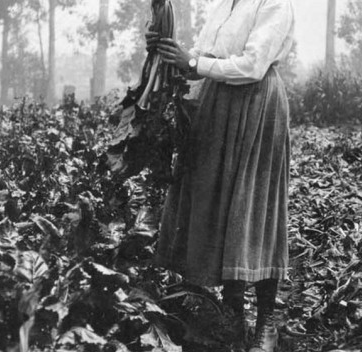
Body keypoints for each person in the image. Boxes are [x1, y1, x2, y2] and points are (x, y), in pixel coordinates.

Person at [147, 0, 295, 351]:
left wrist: (194, 62)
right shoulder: (222, 3)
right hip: (217, 104)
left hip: (257, 107)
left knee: (254, 209)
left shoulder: (274, 4)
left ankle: (265, 323)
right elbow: (203, 58)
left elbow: (253, 66)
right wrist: (171, 52)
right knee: (224, 206)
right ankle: (232, 316)